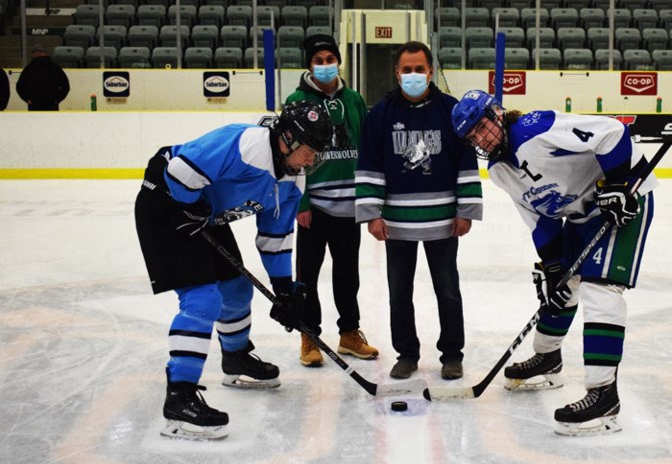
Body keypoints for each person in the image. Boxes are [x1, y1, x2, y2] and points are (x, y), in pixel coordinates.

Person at [449, 90, 658, 436]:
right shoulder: (500, 171)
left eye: (481, 126)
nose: (480, 139)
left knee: (600, 290)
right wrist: (553, 266)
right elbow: (540, 218)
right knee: (557, 288)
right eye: (471, 136)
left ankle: (604, 394)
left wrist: (619, 184)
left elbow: (613, 133)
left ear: (497, 113)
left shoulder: (536, 129)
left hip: (624, 203)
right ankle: (548, 358)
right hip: (580, 215)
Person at [134, 101, 340, 440]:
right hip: (166, 203)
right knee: (202, 300)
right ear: (286, 138)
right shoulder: (246, 144)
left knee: (236, 288)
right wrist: (190, 206)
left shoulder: (292, 180)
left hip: (203, 213)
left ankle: (235, 359)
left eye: (317, 152)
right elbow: (180, 171)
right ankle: (179, 398)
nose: (310, 160)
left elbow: (274, 238)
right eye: (308, 150)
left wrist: (284, 290)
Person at [355, 41, 482, 381]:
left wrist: (465, 209)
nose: (413, 75)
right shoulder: (380, 114)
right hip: (397, 223)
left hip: (443, 221)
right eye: (406, 69)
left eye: (419, 68)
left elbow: (465, 162)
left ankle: (452, 355)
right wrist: (372, 213)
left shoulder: (450, 110)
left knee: (448, 290)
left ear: (430, 70)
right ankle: (407, 354)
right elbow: (369, 164)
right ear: (396, 73)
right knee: (399, 293)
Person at [285, 34, 378, 367]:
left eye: (329, 59)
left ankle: (349, 333)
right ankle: (309, 334)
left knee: (347, 274)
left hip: (348, 206)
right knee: (307, 275)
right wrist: (302, 202)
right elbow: (290, 156)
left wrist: (368, 197)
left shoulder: (353, 99)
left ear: (339, 61)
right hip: (316, 207)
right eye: (318, 60)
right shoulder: (296, 99)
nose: (325, 65)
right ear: (309, 64)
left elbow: (367, 150)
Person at [16, 45, 70, 111]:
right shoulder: (28, 69)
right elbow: (20, 86)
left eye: (40, 52)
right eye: (36, 53)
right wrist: (27, 99)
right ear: (33, 54)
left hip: (51, 105)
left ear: (45, 53)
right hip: (34, 105)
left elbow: (65, 85)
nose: (38, 54)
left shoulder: (55, 68)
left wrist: (57, 100)